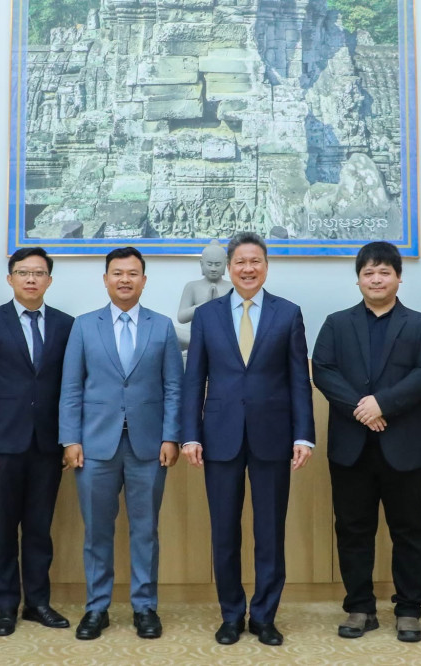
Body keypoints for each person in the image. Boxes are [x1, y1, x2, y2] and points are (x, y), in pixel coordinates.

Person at [182, 231, 315, 647]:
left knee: (269, 532)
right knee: (224, 531)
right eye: (240, 262)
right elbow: (194, 380)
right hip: (218, 436)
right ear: (229, 267)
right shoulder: (207, 315)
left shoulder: (287, 313)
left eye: (255, 261)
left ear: (266, 267)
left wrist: (304, 435)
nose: (247, 268)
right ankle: (230, 615)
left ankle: (263, 616)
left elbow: (299, 380)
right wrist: (189, 435)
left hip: (272, 436)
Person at [312, 241, 421, 643]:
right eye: (368, 272)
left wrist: (383, 404)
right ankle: (360, 607)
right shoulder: (336, 323)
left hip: (406, 447)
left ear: (398, 278)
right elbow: (323, 370)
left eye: (384, 272)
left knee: (410, 530)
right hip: (351, 447)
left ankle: (409, 609)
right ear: (358, 280)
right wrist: (362, 408)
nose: (376, 279)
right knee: (353, 529)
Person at [59, 246, 182, 640]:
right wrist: (70, 439)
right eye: (117, 273)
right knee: (97, 531)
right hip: (95, 446)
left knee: (145, 530)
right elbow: (71, 388)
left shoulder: (162, 326)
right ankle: (97, 608)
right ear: (106, 279)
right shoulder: (84, 326)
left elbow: (174, 387)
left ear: (143, 280)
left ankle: (145, 607)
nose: (124, 280)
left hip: (149, 445)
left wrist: (171, 436)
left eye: (132, 273)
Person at [0, 247, 74, 636]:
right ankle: (6, 606)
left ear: (49, 280)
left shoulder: (66, 325)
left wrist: (69, 438)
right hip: (1, 444)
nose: (31, 279)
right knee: (2, 529)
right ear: (10, 278)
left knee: (40, 529)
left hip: (48, 445)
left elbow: (72, 387)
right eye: (24, 272)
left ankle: (38, 603)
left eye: (39, 273)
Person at [175, 239, 234, 348]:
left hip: (224, 338)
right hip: (198, 337)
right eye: (209, 264)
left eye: (217, 264)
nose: (213, 269)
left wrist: (219, 305)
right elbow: (181, 317)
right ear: (202, 264)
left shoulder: (232, 287)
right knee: (168, 328)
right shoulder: (192, 286)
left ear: (226, 264)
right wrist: (206, 304)